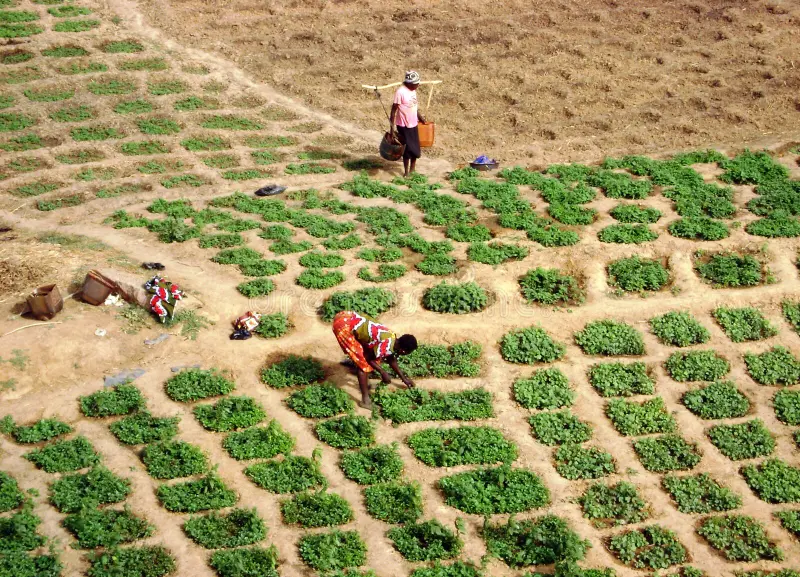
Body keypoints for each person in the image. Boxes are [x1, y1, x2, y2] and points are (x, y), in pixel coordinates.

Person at [332, 310, 418, 407]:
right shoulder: (386, 344)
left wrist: (404, 378)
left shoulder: (392, 338)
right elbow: (369, 358)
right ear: (403, 351)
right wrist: (382, 372)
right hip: (343, 326)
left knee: (370, 353)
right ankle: (365, 401)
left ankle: (357, 366)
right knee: (363, 365)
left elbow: (390, 358)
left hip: (347, 316)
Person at [390, 70, 426, 178]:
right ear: (409, 83)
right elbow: (393, 110)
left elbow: (414, 107)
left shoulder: (413, 91)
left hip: (413, 123)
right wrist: (391, 128)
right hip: (403, 125)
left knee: (415, 148)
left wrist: (420, 118)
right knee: (407, 149)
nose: (418, 85)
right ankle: (406, 172)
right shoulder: (400, 92)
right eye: (416, 83)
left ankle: (413, 170)